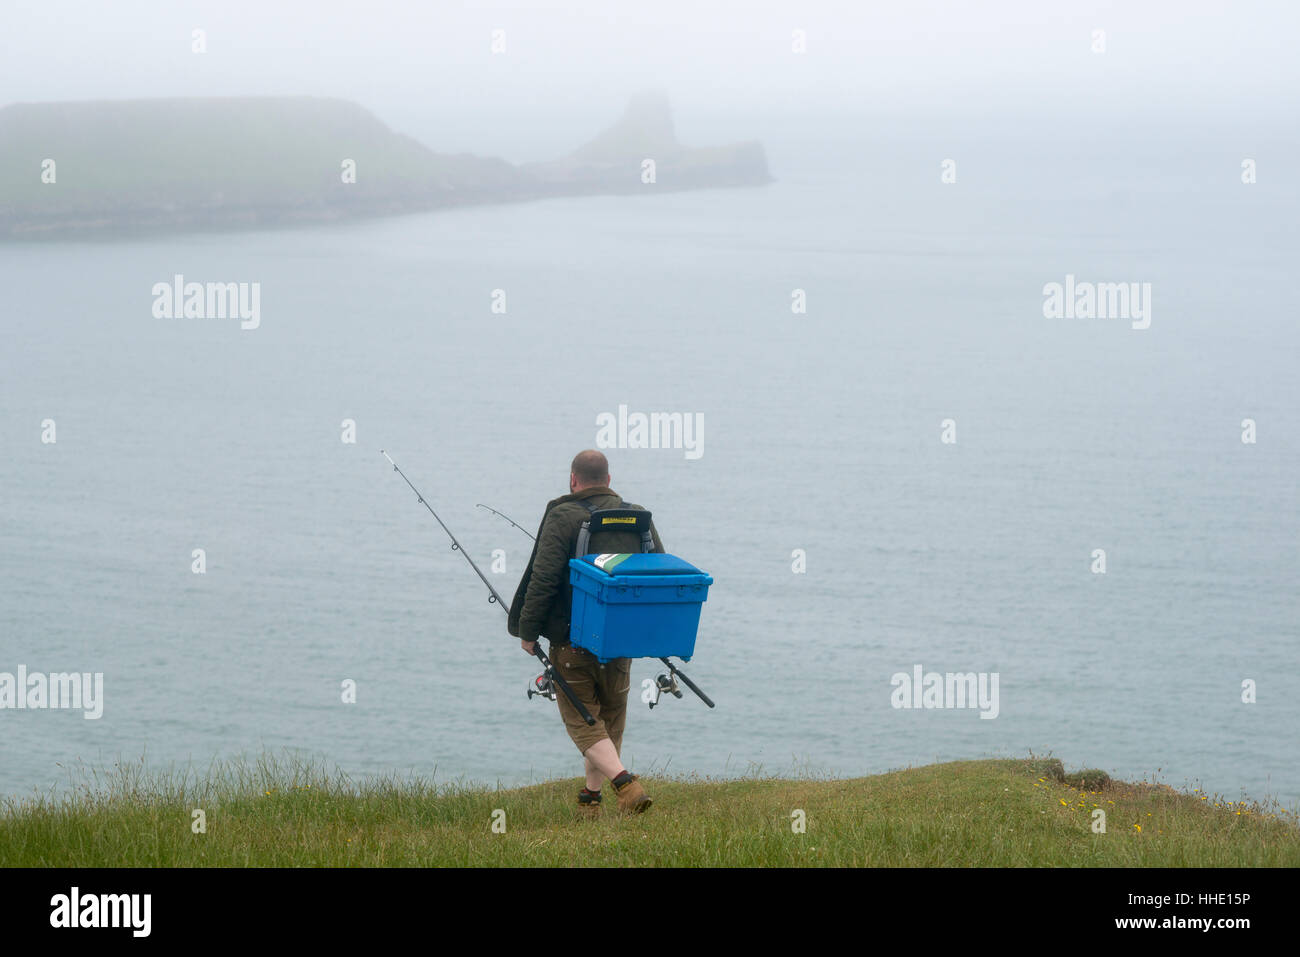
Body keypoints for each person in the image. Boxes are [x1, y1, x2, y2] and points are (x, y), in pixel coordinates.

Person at [508, 449, 663, 816]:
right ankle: (591, 800)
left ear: (573, 481)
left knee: (584, 722)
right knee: (608, 720)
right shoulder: (637, 517)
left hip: (571, 642)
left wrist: (528, 632)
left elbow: (543, 580)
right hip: (619, 640)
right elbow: (657, 569)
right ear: (609, 481)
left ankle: (626, 785)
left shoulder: (562, 516)